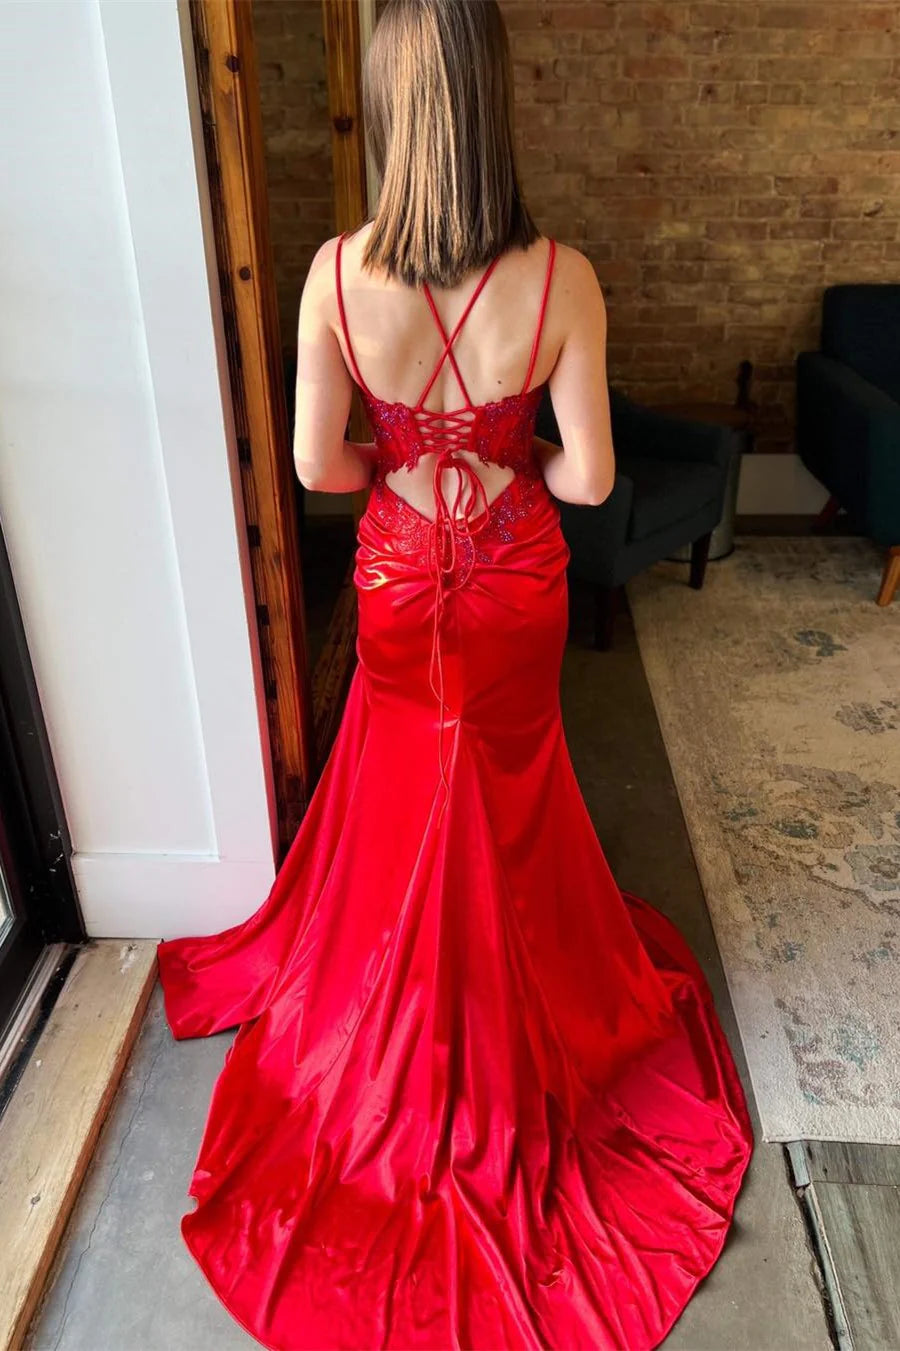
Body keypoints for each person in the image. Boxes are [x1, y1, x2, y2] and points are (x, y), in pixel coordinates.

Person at [156, 1, 753, 1347]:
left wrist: (406, 464)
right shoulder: (565, 279)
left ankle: (398, 1015)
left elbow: (319, 468)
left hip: (394, 577)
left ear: (387, 107)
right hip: (516, 581)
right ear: (494, 103)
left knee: (402, 791)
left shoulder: (331, 275)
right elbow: (589, 481)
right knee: (511, 801)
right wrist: (509, 457)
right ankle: (512, 1023)